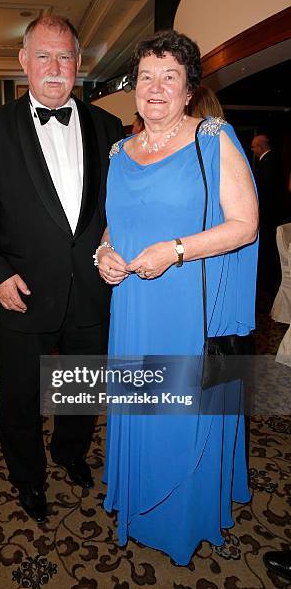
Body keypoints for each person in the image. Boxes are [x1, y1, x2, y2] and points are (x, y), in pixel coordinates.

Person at [0, 15, 123, 524]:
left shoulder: (108, 127)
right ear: (23, 61)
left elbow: (120, 206)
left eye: (65, 56)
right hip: (19, 291)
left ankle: (70, 452)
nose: (54, 67)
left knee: (81, 385)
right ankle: (27, 478)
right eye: (43, 56)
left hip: (90, 288)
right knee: (21, 397)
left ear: (78, 64)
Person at [96, 30, 259, 565]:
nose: (157, 87)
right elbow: (115, 228)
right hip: (133, 308)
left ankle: (182, 517)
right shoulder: (120, 150)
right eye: (147, 76)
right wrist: (104, 255)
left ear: (189, 90)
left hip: (189, 307)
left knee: (183, 418)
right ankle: (141, 503)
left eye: (171, 76)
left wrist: (176, 249)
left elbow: (246, 226)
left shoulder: (214, 137)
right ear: (135, 88)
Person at [251, 133, 283, 295]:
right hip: (275, 213)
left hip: (268, 214)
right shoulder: (276, 160)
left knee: (268, 250)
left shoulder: (267, 162)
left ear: (261, 147)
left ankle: (267, 285)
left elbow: (265, 191)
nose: (252, 150)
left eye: (253, 147)